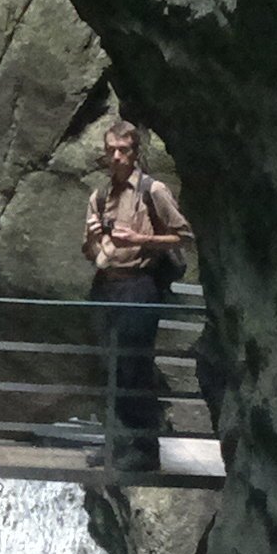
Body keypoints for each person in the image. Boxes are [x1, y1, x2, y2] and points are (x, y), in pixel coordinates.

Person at [81, 121, 192, 453]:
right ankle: (117, 443)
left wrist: (141, 239)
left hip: (139, 286)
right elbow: (88, 248)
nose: (117, 156)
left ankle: (144, 449)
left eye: (123, 150)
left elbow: (185, 236)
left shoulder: (152, 190)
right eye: (111, 150)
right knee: (109, 367)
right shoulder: (100, 196)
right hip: (106, 286)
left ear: (135, 152)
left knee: (134, 366)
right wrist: (96, 242)